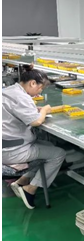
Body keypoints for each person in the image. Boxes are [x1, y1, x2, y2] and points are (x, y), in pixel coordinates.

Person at [2, 64, 66, 210]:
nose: (40, 91)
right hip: (13, 151)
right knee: (58, 154)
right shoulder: (21, 97)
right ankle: (30, 189)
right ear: (32, 83)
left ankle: (21, 181)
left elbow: (15, 110)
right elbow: (36, 122)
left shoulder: (10, 91)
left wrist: (34, 109)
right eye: (40, 88)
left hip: (6, 145)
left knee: (49, 146)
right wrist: (44, 110)